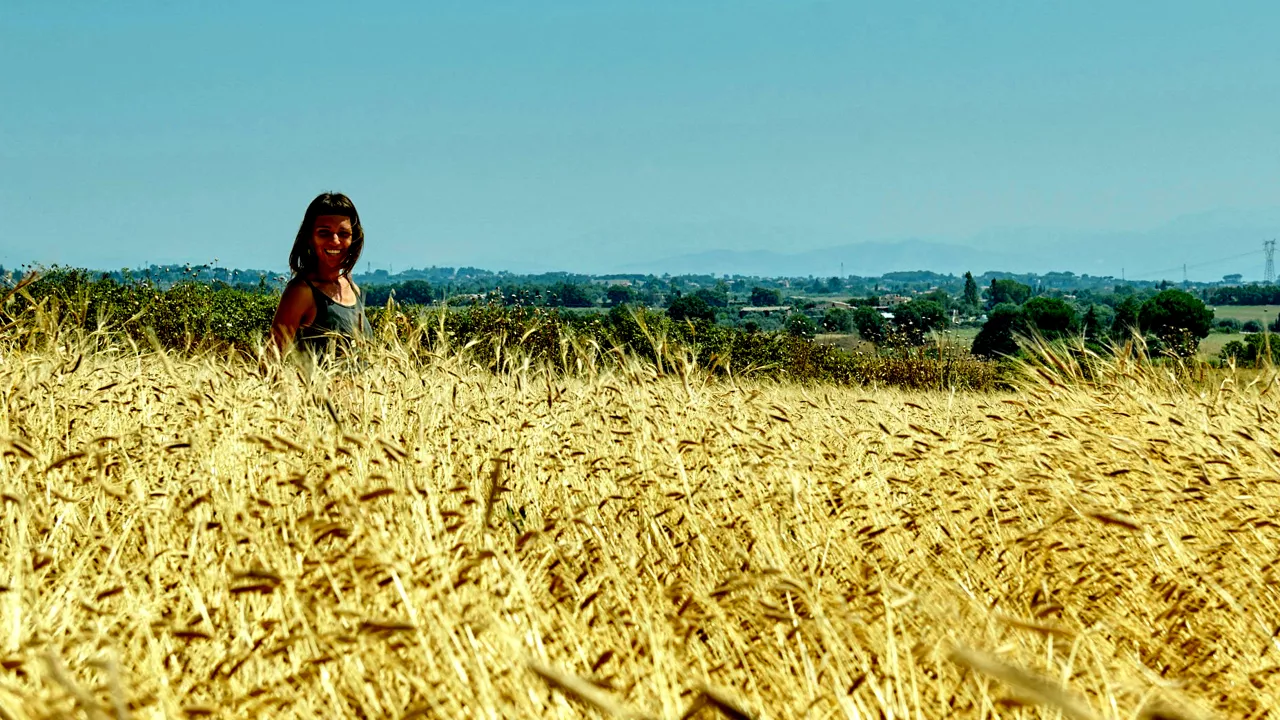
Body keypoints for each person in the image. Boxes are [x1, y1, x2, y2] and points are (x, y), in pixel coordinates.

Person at [270, 192, 374, 361]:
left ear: (353, 238)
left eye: (344, 234)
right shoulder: (301, 292)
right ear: (310, 237)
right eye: (324, 233)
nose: (335, 241)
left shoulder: (352, 288)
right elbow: (271, 360)